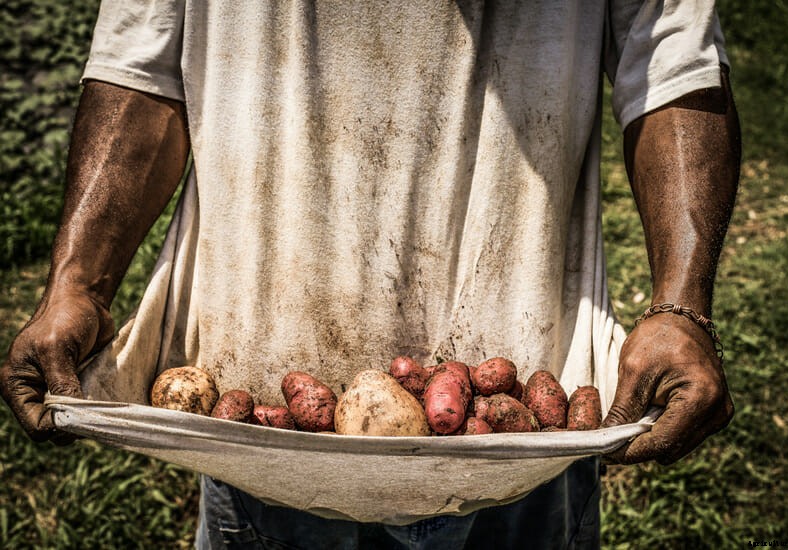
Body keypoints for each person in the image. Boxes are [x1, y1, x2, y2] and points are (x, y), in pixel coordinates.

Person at [1, 1, 739, 548]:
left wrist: (681, 306)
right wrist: (78, 283)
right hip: (265, 442)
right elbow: (142, 70)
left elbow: (674, 65)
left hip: (514, 463)